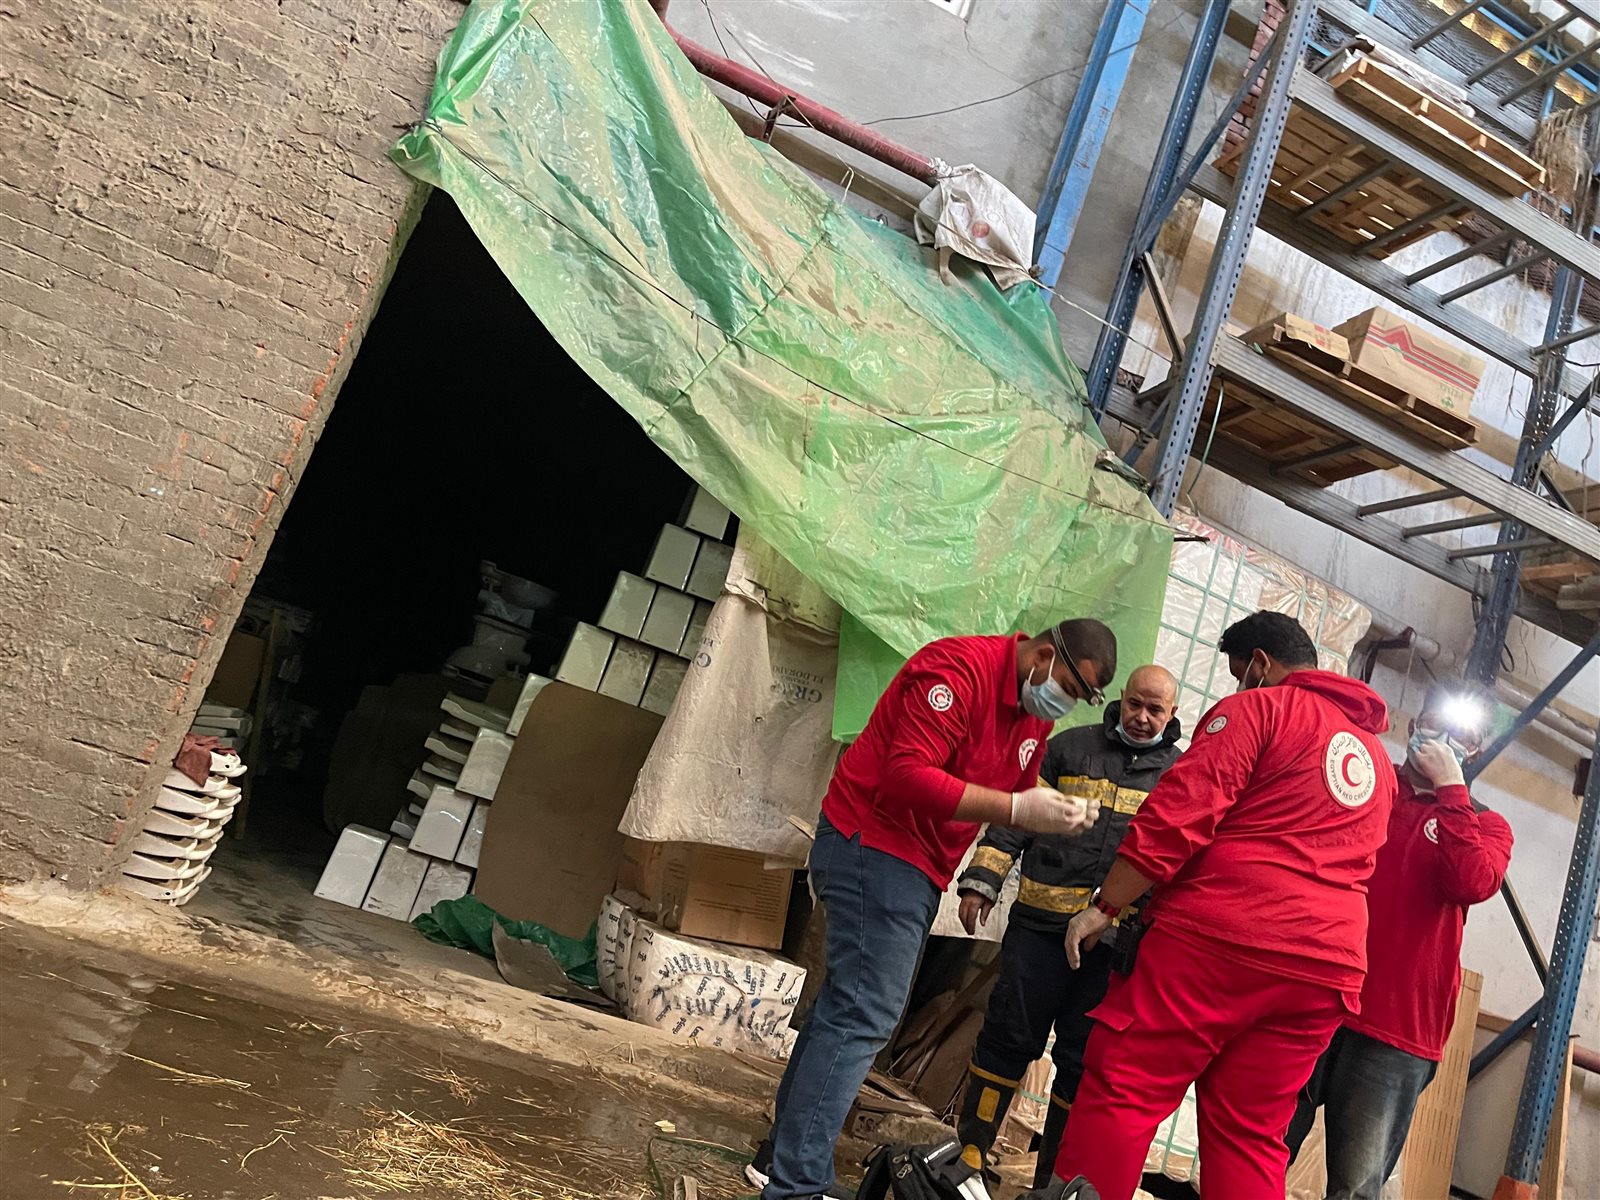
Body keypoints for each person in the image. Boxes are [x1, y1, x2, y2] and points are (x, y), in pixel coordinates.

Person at [1019, 611, 1398, 1200]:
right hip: (1326, 969)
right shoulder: (1376, 760)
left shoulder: (1258, 710)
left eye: (1239, 673)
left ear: (1260, 664)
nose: (1238, 686)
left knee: (1126, 1088)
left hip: (1222, 941)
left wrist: (1105, 906)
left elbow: (1178, 818)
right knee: (1251, 1133)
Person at [747, 620, 1121, 1200]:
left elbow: (1016, 800)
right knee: (864, 1013)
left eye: (1080, 699)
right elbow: (907, 774)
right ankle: (796, 1185)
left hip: (919, 867)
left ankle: (781, 1161)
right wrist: (1018, 809)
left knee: (846, 1009)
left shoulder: (1034, 719)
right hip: (875, 844)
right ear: (1045, 655)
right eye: (1069, 689)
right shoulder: (957, 670)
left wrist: (1052, 813)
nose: (1064, 705)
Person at [953, 665, 1183, 1185]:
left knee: (1083, 1063)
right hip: (1040, 931)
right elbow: (1018, 816)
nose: (1142, 717)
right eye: (1135, 704)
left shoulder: (1180, 775)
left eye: (1155, 710)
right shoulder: (1068, 748)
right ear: (1121, 698)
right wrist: (983, 878)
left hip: (1114, 948)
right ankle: (970, 1156)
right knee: (1007, 1038)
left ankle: (1052, 1185)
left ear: (1173, 714)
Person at [1285, 681, 1512, 1199]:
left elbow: (1471, 882)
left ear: (1476, 751)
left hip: (1396, 1029)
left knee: (1356, 1185)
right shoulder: (1365, 783)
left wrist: (1451, 791)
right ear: (1414, 725)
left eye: (1462, 735)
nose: (1446, 738)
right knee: (1259, 1148)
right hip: (1312, 996)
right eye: (1436, 723)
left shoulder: (1487, 825)